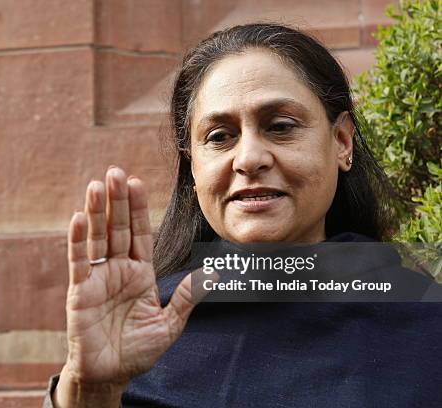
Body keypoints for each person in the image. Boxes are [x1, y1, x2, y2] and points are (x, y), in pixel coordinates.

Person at [43, 23, 442, 407]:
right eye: (219, 137)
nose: (249, 158)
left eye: (281, 127)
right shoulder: (142, 328)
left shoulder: (424, 322)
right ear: (193, 166)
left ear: (341, 141)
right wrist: (88, 391)